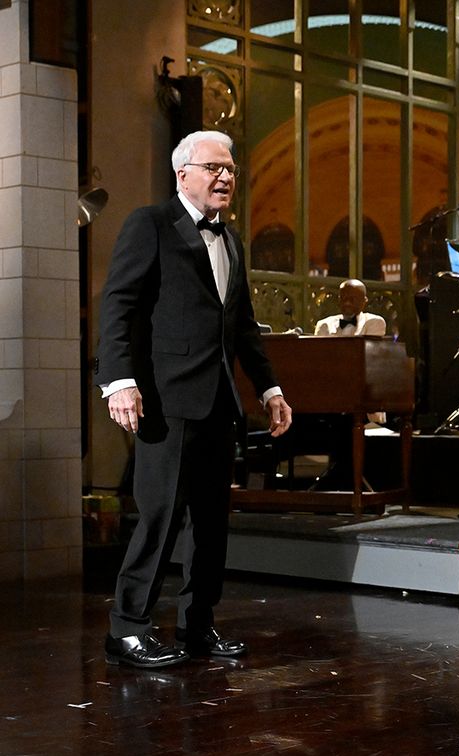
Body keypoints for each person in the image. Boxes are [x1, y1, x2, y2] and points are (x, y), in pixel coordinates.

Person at [95, 130, 293, 668]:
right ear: (183, 174)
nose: (226, 176)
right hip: (164, 400)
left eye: (230, 168)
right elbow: (118, 305)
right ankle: (128, 628)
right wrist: (118, 380)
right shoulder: (150, 224)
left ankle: (197, 624)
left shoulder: (231, 241)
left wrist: (270, 388)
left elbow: (244, 327)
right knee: (159, 518)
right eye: (214, 167)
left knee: (210, 524)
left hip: (218, 403)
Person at [313, 278, 387, 336]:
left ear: (364, 301)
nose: (347, 303)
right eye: (344, 298)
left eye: (353, 299)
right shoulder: (324, 324)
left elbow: (368, 351)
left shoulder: (374, 322)